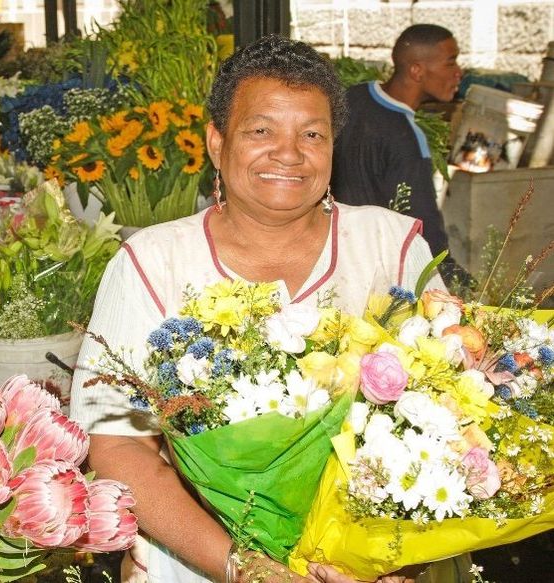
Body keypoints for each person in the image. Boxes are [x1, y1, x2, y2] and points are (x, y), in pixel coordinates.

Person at [71, 35, 450, 583]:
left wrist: (397, 556)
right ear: (216, 143)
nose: (290, 154)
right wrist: (243, 567)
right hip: (198, 564)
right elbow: (114, 444)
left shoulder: (389, 247)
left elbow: (451, 418)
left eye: (312, 134)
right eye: (261, 131)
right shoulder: (153, 262)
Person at [331, 24, 463, 281]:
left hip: (334, 248)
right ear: (417, 70)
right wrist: (452, 275)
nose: (459, 73)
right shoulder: (408, 139)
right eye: (451, 63)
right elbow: (422, 223)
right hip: (374, 263)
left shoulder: (351, 97)